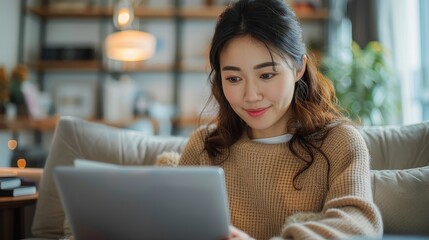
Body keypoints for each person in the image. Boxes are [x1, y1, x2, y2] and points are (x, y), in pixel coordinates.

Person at [179, 0, 383, 239]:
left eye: (266, 75)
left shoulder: (338, 142)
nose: (251, 96)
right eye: (234, 79)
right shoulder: (205, 146)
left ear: (299, 68)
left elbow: (359, 225)